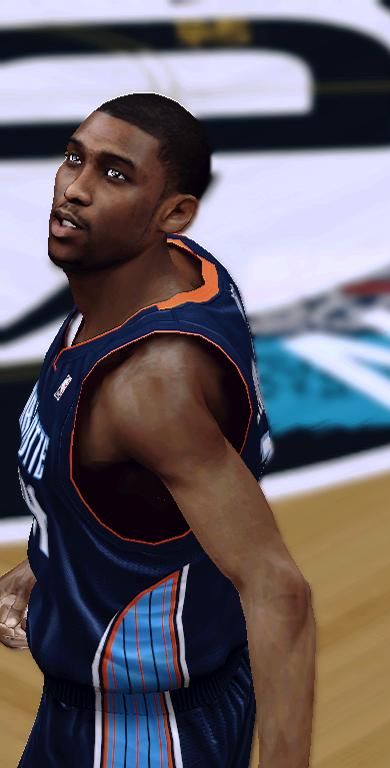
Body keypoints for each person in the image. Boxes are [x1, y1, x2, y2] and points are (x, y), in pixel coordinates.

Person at [1, 93, 315, 767]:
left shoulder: (148, 387)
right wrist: (57, 558)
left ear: (174, 213)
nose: (76, 189)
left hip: (144, 733)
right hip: (102, 707)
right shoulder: (177, 271)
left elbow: (277, 588)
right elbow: (152, 499)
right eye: (74, 159)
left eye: (115, 174)